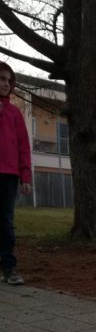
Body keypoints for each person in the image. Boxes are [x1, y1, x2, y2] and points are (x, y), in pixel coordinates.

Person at [0, 61, 32, 285]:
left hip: (9, 175)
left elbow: (23, 146)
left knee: (6, 223)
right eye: (1, 79)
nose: (5, 84)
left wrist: (25, 175)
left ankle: (9, 268)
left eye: (9, 81)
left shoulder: (15, 113)